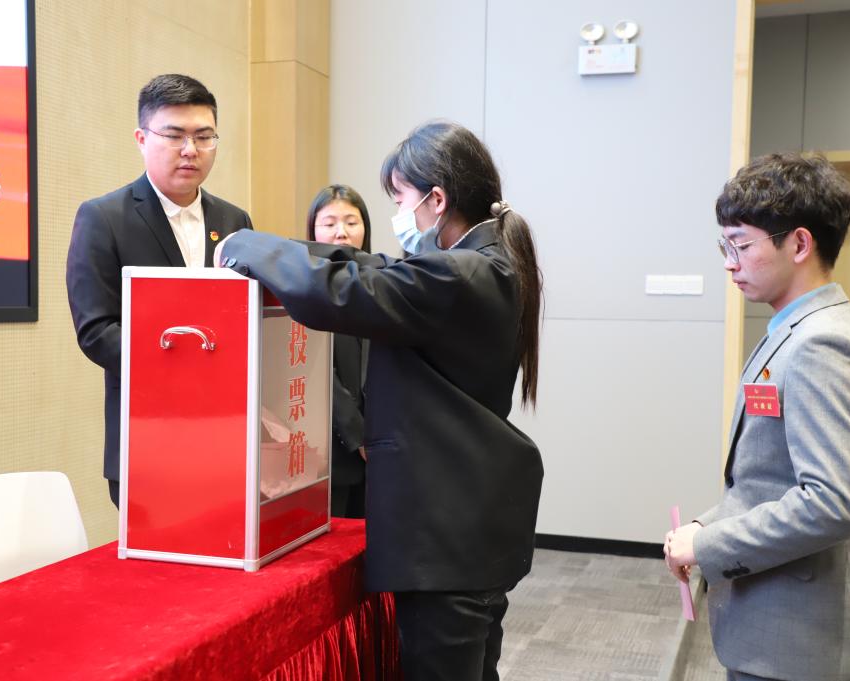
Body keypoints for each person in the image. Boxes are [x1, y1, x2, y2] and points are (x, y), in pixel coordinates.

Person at [215, 120, 544, 681]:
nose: (398, 214)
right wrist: (283, 247)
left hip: (448, 535)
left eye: (400, 200)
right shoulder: (486, 260)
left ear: (437, 200)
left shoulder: (461, 273)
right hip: (471, 521)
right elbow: (377, 268)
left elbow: (342, 291)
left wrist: (244, 245)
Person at [665, 153, 850, 681]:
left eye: (741, 245)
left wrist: (709, 546)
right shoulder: (791, 330)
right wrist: (708, 523)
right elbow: (769, 479)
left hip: (799, 647)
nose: (729, 263)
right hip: (776, 630)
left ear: (800, 244)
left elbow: (833, 503)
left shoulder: (823, 344)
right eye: (725, 246)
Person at [66, 74, 253, 508]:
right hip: (147, 433)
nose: (191, 149)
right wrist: (191, 366)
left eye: (204, 136)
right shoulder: (104, 218)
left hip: (227, 434)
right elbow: (97, 331)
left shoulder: (235, 220)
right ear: (141, 139)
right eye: (174, 135)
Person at [306, 184, 372, 519]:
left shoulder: (381, 280)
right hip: (330, 445)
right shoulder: (305, 287)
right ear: (313, 230)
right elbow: (316, 370)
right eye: (329, 223)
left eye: (351, 222)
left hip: (380, 445)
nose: (341, 233)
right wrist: (357, 434)